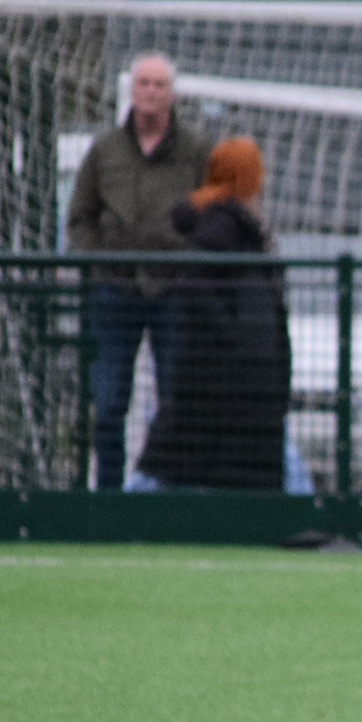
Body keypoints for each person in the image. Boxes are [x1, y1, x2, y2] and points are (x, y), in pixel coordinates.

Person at [67, 54, 209, 490]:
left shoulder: (196, 149)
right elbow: (80, 217)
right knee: (108, 403)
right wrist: (97, 263)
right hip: (115, 290)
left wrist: (192, 265)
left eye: (159, 84)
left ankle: (169, 496)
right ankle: (108, 496)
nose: (151, 92)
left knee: (177, 401)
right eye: (144, 83)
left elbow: (213, 212)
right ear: (132, 89)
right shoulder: (105, 148)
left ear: (172, 94)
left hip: (174, 291)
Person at [133, 138, 290, 491]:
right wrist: (234, 335)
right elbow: (195, 286)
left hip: (231, 381)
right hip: (222, 381)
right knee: (172, 473)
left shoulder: (238, 227)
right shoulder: (222, 227)